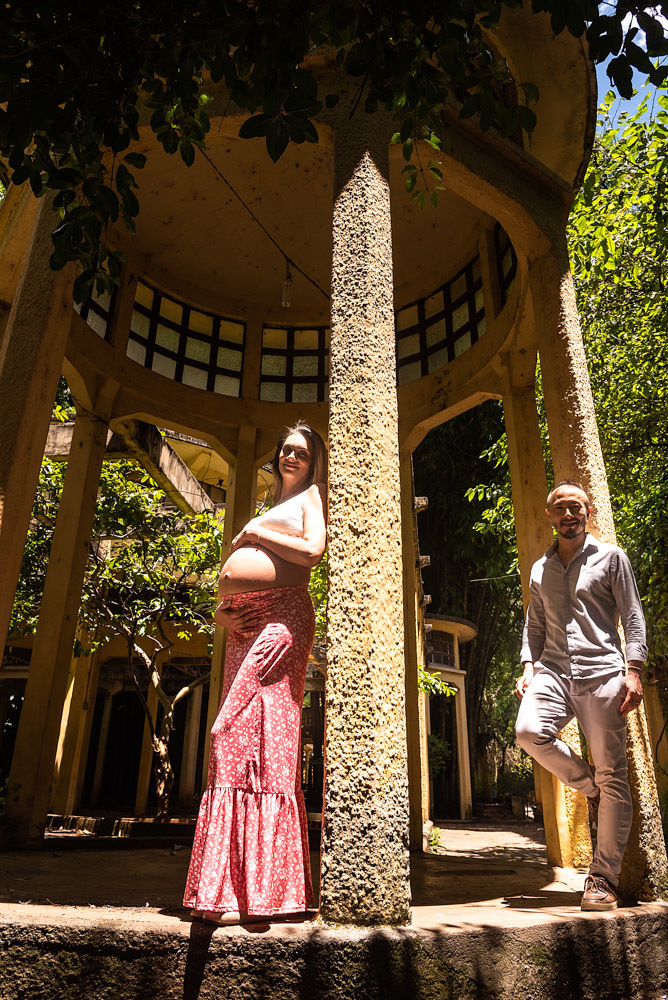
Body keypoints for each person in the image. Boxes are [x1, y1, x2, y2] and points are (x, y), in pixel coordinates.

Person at [184, 420, 327, 925]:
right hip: (242, 623)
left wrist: (256, 530)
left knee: (239, 735)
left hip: (284, 615)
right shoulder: (271, 504)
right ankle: (229, 892)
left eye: (301, 453)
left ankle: (266, 889)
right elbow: (238, 573)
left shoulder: (311, 498)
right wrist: (220, 614)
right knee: (241, 741)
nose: (291, 458)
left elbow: (312, 553)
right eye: (286, 450)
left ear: (313, 462)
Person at [515, 479, 646, 912]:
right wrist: (528, 666)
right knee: (528, 731)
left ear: (586, 512)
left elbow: (631, 615)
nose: (568, 514)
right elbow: (535, 626)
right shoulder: (540, 569)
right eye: (560, 508)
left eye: (576, 507)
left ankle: (603, 878)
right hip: (553, 669)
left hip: (603, 673)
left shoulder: (612, 558)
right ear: (550, 515)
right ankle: (589, 786)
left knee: (615, 773)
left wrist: (635, 670)